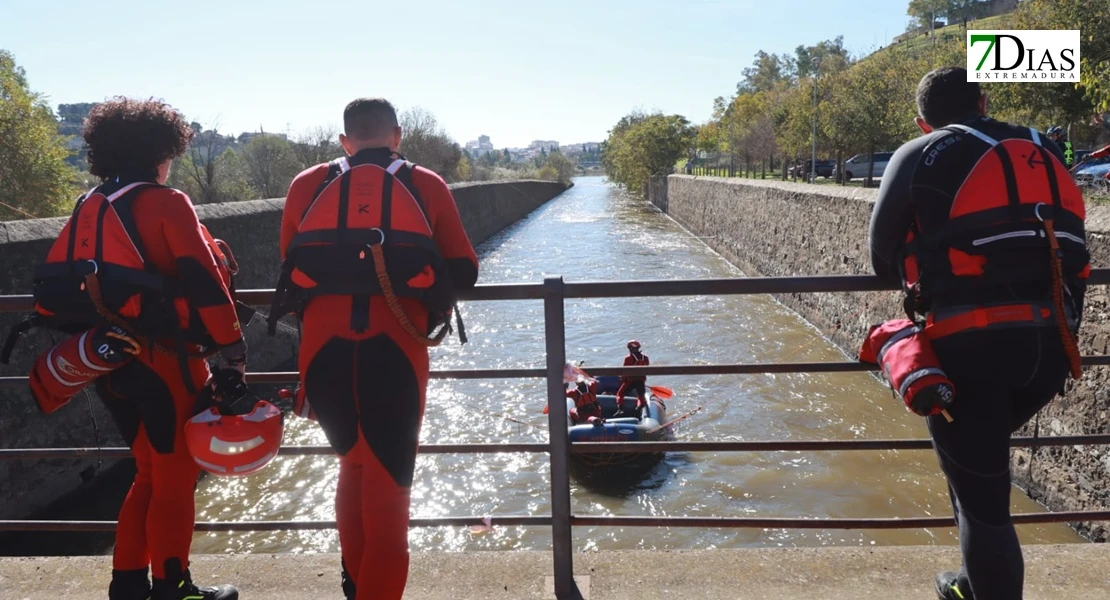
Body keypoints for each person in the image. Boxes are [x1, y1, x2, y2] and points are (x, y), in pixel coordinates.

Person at [869, 67, 1089, 600]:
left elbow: (880, 263)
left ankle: (982, 587)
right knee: (974, 472)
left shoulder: (921, 151)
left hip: (972, 345)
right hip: (1052, 345)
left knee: (984, 505)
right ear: (985, 102)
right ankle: (970, 580)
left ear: (923, 121)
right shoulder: (1042, 147)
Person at [34, 98, 247, 600]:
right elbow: (206, 281)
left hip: (109, 359)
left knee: (146, 472)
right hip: (169, 361)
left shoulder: (90, 203)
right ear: (161, 150)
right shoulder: (167, 201)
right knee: (176, 476)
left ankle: (127, 584)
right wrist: (233, 349)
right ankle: (175, 588)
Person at [274, 97, 479, 600]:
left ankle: (357, 585)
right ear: (397, 136)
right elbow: (465, 272)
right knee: (390, 492)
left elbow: (290, 266)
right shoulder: (425, 183)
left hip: (322, 354)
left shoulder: (308, 184)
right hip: (396, 351)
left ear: (344, 141)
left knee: (353, 465)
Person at [615, 340, 649, 414]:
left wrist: (623, 379)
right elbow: (647, 369)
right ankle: (639, 407)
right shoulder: (645, 357)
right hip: (641, 381)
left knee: (620, 394)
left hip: (630, 381)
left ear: (630, 348)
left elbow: (624, 371)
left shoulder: (628, 358)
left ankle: (621, 409)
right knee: (641, 397)